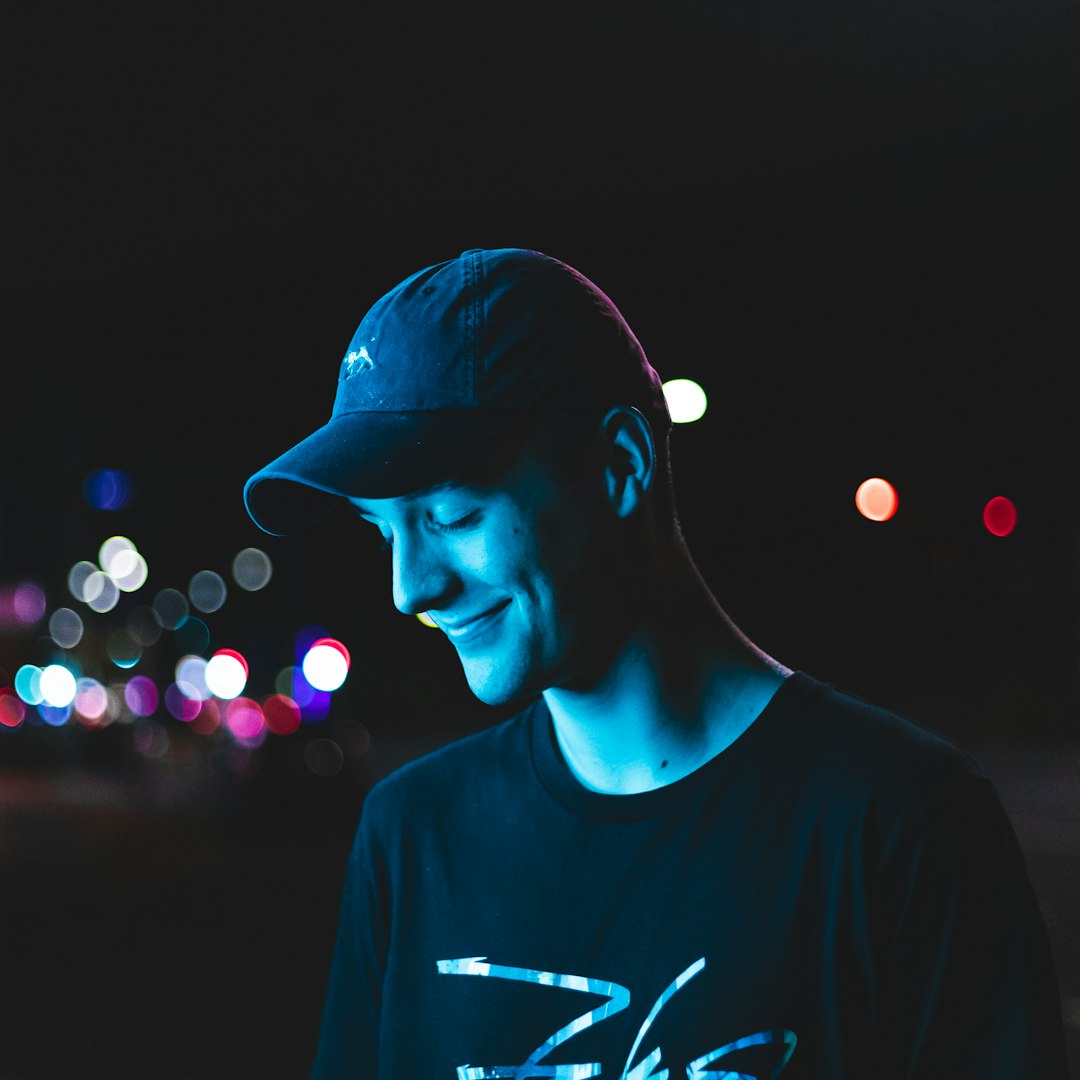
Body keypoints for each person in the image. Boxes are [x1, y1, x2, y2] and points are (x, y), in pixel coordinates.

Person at [243, 247, 1069, 1078]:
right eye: (382, 531)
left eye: (453, 515)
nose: (409, 587)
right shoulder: (411, 837)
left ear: (620, 463)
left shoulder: (901, 825)